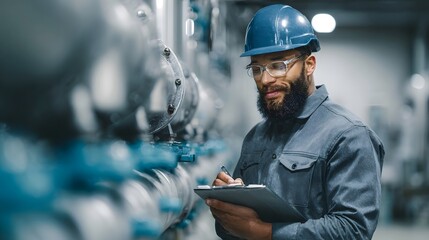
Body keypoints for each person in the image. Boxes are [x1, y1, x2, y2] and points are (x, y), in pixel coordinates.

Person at [206, 4, 384, 240]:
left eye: (278, 66)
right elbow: (233, 231)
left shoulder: (349, 135)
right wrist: (228, 204)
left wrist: (263, 232)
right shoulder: (255, 137)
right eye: (257, 68)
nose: (265, 79)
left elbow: (353, 230)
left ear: (309, 65)